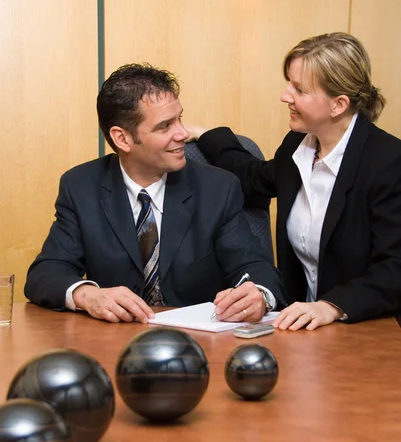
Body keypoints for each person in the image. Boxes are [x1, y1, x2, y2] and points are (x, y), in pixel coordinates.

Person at [24, 63, 285, 323]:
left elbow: (255, 267)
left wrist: (259, 295)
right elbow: (46, 272)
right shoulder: (81, 186)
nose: (183, 133)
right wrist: (87, 295)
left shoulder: (217, 187)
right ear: (122, 139)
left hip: (197, 343)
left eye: (180, 118)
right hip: (114, 342)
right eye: (165, 126)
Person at [187, 32, 401, 330]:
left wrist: (332, 306)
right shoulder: (297, 145)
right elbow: (253, 177)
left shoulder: (389, 162)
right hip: (303, 333)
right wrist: (203, 134)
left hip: (369, 329)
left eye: (299, 89)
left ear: (338, 104)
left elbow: (394, 269)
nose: (285, 95)